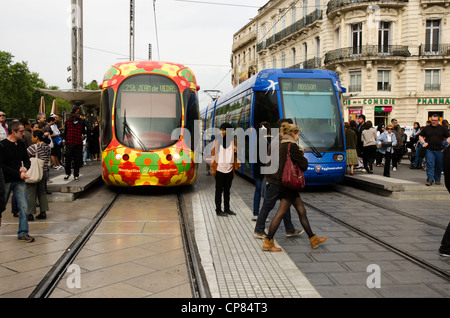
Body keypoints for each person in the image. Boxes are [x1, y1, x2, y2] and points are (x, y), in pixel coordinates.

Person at [262, 123, 326, 252]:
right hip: (288, 184)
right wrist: (301, 153)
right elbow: (304, 165)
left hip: (280, 182)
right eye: (297, 135)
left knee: (301, 210)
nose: (298, 138)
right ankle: (268, 241)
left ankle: (313, 239)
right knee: (281, 213)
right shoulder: (292, 146)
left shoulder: (278, 143)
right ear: (293, 134)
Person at [254, 119, 304, 239]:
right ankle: (259, 230)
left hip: (278, 178)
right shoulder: (282, 142)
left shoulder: (277, 140)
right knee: (269, 205)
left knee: (284, 205)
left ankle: (289, 229)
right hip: (277, 179)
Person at [0, 121, 34, 242]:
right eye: (21, 131)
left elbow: (27, 160)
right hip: (6, 180)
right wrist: (18, 174)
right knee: (1, 207)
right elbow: (2, 166)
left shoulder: (20, 145)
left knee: (24, 206)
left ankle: (23, 232)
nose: (23, 134)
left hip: (19, 180)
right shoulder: (2, 145)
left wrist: (25, 167)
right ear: (13, 131)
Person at [210, 122, 240, 217]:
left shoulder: (233, 140)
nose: (221, 131)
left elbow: (236, 153)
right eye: (221, 130)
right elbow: (213, 154)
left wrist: (235, 150)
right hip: (219, 169)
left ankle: (227, 209)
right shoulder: (217, 140)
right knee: (218, 191)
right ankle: (218, 210)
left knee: (227, 190)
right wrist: (213, 168)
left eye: (223, 130)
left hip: (229, 169)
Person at [26, 130, 51, 220]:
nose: (31, 138)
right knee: (42, 192)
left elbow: (25, 157)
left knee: (31, 193)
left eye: (33, 136)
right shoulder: (47, 147)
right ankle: (43, 212)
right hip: (44, 172)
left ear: (36, 137)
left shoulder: (33, 147)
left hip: (34, 172)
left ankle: (30, 213)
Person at [419, 114, 450, 186]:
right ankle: (430, 179)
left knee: (439, 165)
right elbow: (420, 136)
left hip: (440, 150)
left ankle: (437, 178)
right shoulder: (426, 128)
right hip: (429, 150)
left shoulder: (443, 128)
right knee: (430, 164)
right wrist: (423, 142)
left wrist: (446, 145)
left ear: (439, 121)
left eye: (435, 120)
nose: (433, 122)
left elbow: (448, 137)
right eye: (432, 120)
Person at [252, 121, 270, 221]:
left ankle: (255, 213)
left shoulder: (257, 141)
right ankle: (263, 215)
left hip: (258, 170)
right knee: (266, 193)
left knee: (258, 191)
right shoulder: (270, 141)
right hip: (267, 170)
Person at [63, 106, 86, 181]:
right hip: (69, 143)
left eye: (79, 113)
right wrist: (64, 141)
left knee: (77, 160)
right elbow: (65, 132)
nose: (78, 115)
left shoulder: (81, 122)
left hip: (78, 143)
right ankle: (67, 173)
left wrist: (84, 136)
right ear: (72, 113)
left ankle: (76, 174)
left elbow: (84, 132)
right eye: (77, 113)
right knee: (68, 159)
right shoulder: (67, 122)